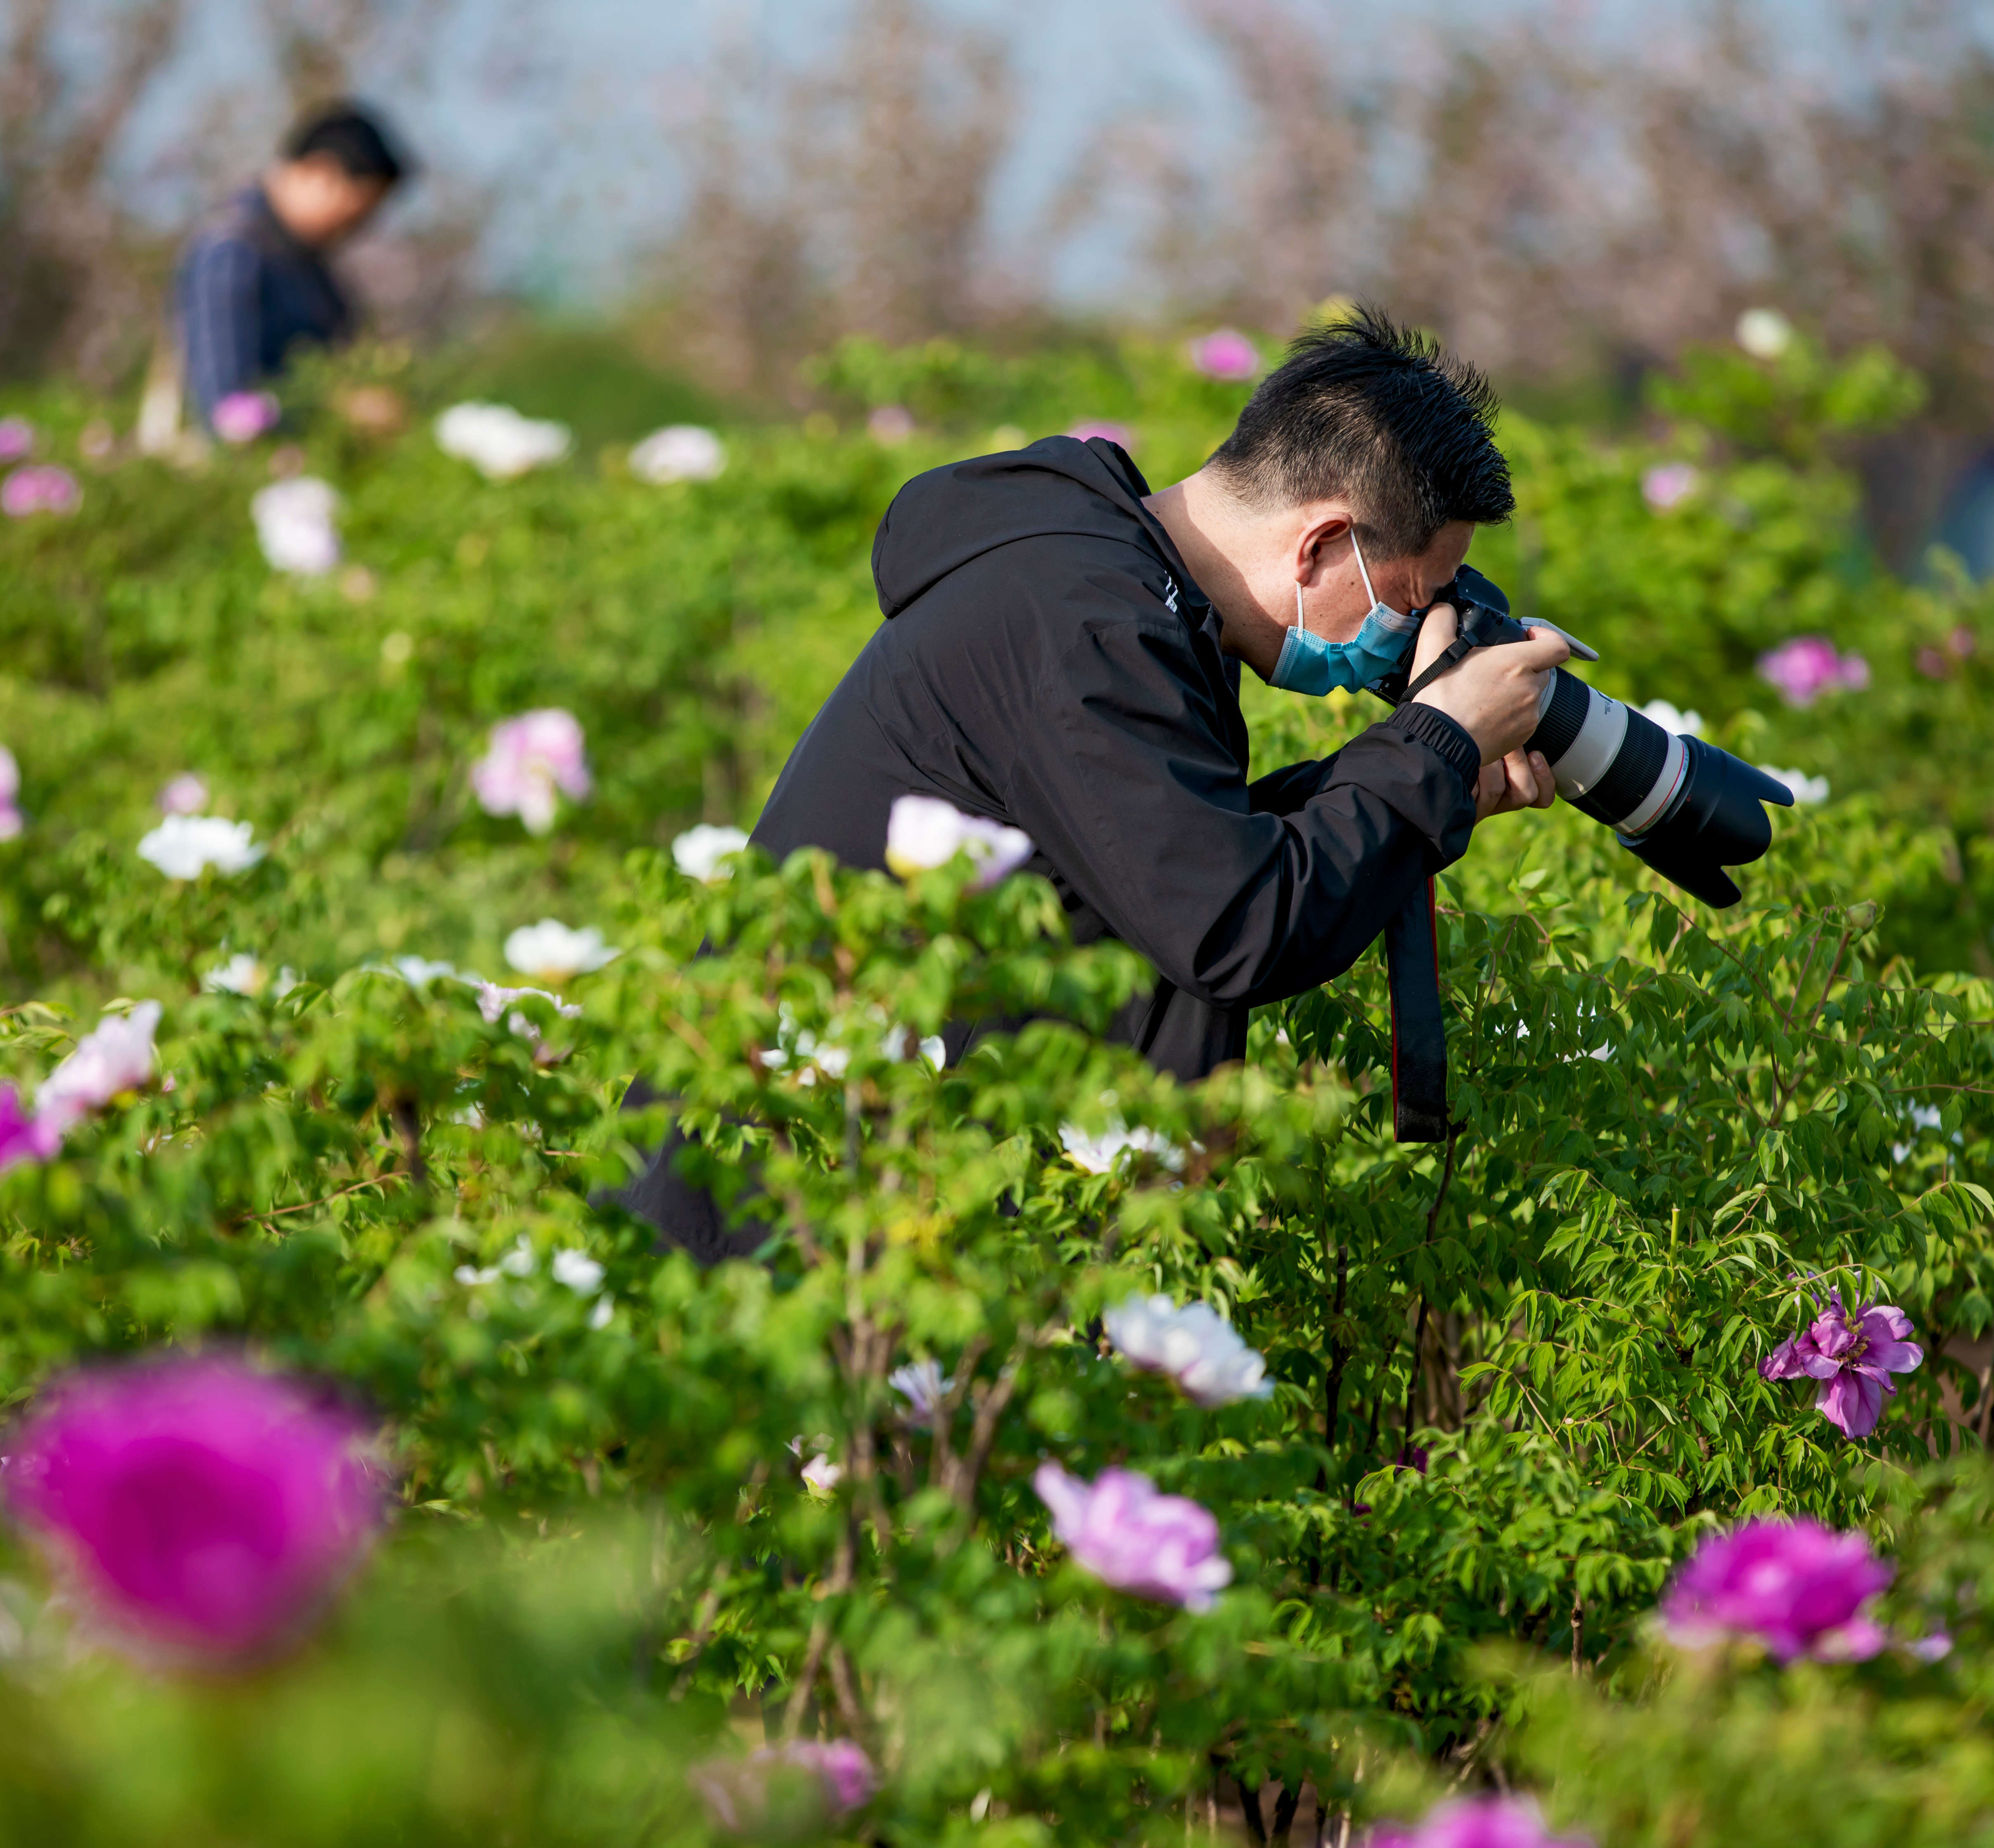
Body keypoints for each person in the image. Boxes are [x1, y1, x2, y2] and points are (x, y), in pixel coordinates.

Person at [618, 307, 1568, 1259]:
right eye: (1408, 604)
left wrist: (1435, 781)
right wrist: (1435, 743)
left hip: (854, 1222)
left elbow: (1168, 860)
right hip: (775, 1258)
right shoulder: (1087, 624)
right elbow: (1232, 924)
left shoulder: (1115, 590)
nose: (1407, 640)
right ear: (1320, 545)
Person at [174, 100, 407, 433]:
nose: (357, 230)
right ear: (321, 174)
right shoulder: (231, 253)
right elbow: (226, 410)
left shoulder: (311, 267)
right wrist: (338, 409)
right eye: (356, 214)